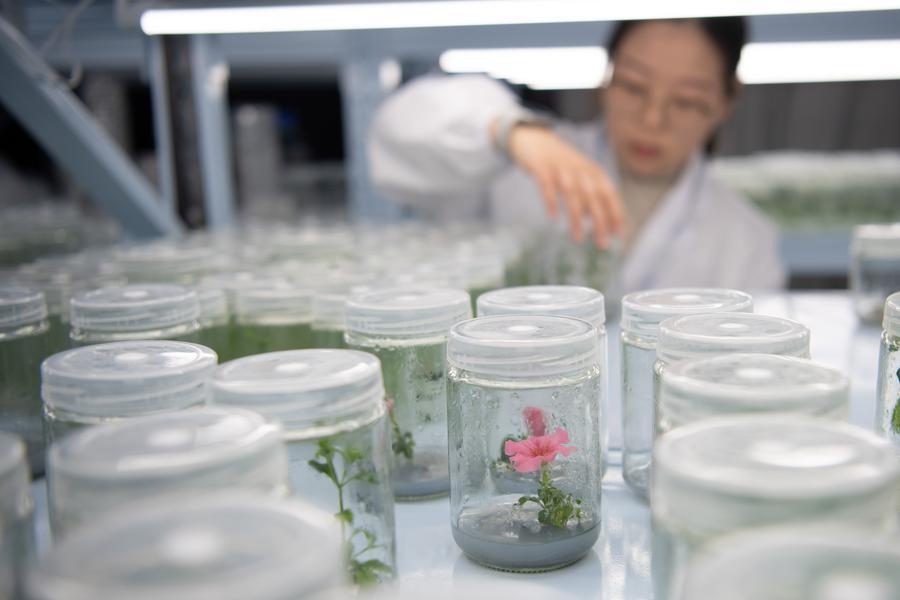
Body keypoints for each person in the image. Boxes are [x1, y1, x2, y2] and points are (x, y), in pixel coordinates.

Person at [368, 17, 786, 294]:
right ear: (607, 76)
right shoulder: (519, 167)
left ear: (727, 100)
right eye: (634, 87)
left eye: (686, 101)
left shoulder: (746, 240)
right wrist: (508, 133)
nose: (652, 119)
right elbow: (396, 132)